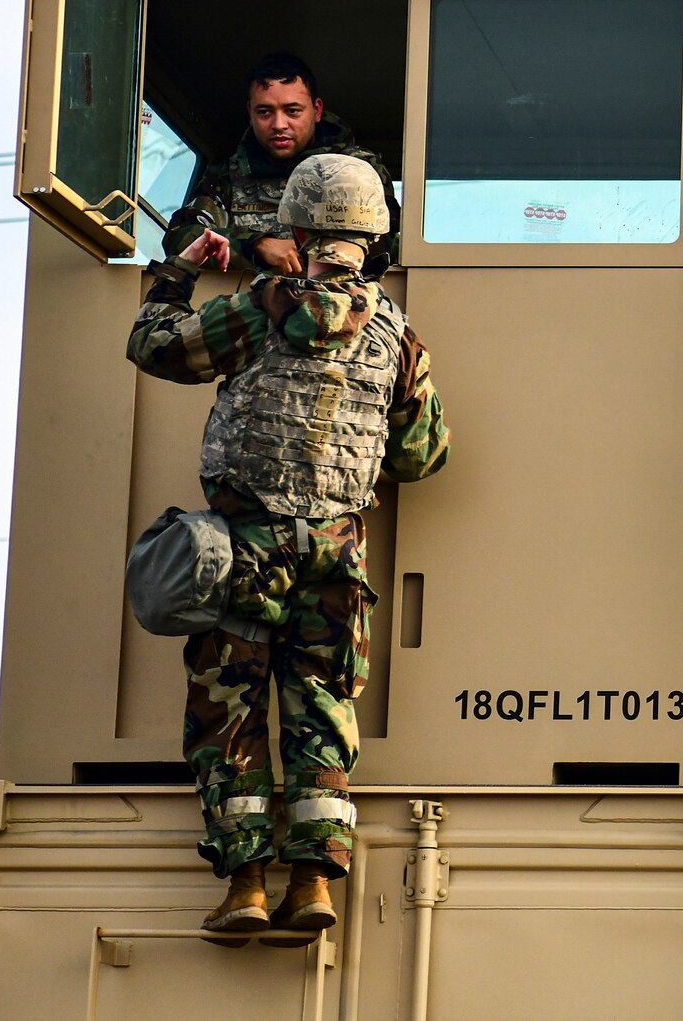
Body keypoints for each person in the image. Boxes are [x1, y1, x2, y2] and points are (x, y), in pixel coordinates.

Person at [126, 154, 449, 944]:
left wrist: (175, 273)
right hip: (337, 556)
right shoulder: (400, 335)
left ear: (298, 231)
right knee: (323, 713)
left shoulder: (257, 308)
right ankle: (313, 882)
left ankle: (245, 887)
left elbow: (153, 346)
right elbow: (422, 455)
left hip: (245, 545)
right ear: (372, 238)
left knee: (229, 712)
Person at [163, 52, 394, 276]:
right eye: (264, 112)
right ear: (250, 113)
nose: (279, 124)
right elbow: (180, 238)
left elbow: (387, 242)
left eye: (292, 111)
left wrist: (317, 257)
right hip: (246, 309)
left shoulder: (359, 170)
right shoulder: (226, 177)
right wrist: (257, 247)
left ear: (316, 110)